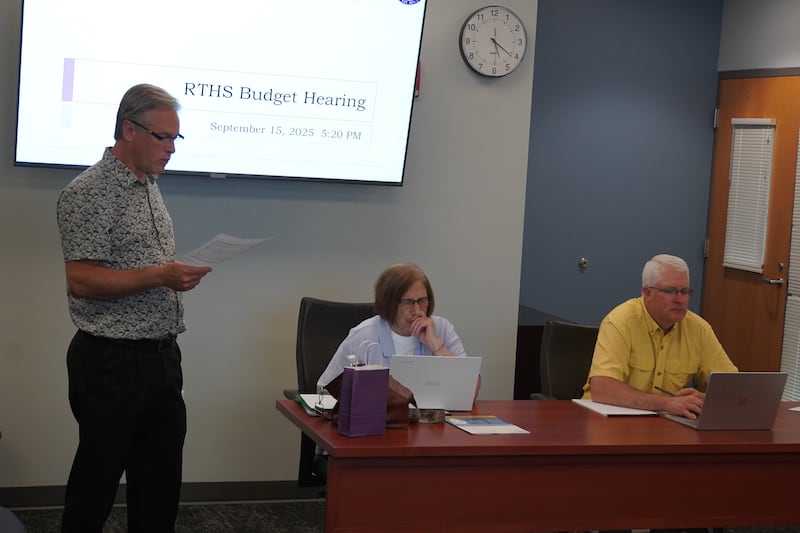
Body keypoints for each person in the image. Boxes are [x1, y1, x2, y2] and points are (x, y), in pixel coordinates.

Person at [56, 83, 212, 533]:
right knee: (96, 487)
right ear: (129, 129)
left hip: (162, 359)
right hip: (110, 363)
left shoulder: (148, 186)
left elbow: (138, 267)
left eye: (175, 139)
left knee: (159, 488)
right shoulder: (90, 192)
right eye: (163, 137)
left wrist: (171, 277)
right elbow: (81, 280)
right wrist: (161, 276)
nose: (171, 149)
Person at [582, 254, 737, 419]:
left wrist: (707, 400)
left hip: (666, 425)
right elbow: (603, 389)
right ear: (647, 293)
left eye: (684, 291)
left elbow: (733, 387)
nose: (680, 300)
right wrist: (666, 404)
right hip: (606, 421)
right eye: (670, 291)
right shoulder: (620, 322)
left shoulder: (699, 329)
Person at [318, 263, 471, 390]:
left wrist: (436, 345)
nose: (417, 310)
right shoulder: (363, 336)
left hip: (433, 422)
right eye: (408, 302)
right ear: (389, 303)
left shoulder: (442, 328)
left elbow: (469, 388)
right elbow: (324, 390)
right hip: (379, 423)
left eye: (422, 300)